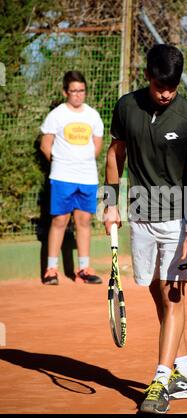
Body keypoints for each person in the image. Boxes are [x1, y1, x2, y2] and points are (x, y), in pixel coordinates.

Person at [103, 44, 187, 414]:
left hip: (177, 219)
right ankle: (186, 374)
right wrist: (109, 204)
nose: (166, 92)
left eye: (173, 86)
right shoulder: (126, 107)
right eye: (160, 85)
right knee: (156, 291)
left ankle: (161, 380)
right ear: (148, 75)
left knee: (174, 294)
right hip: (139, 215)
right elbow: (115, 155)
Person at [40, 70, 103, 285]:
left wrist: (81, 162)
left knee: (84, 221)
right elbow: (45, 145)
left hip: (87, 178)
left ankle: (84, 269)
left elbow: (97, 145)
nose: (78, 95)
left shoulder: (93, 115)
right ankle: (51, 270)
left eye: (82, 91)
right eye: (74, 91)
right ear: (65, 92)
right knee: (59, 220)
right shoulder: (57, 115)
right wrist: (61, 164)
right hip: (62, 177)